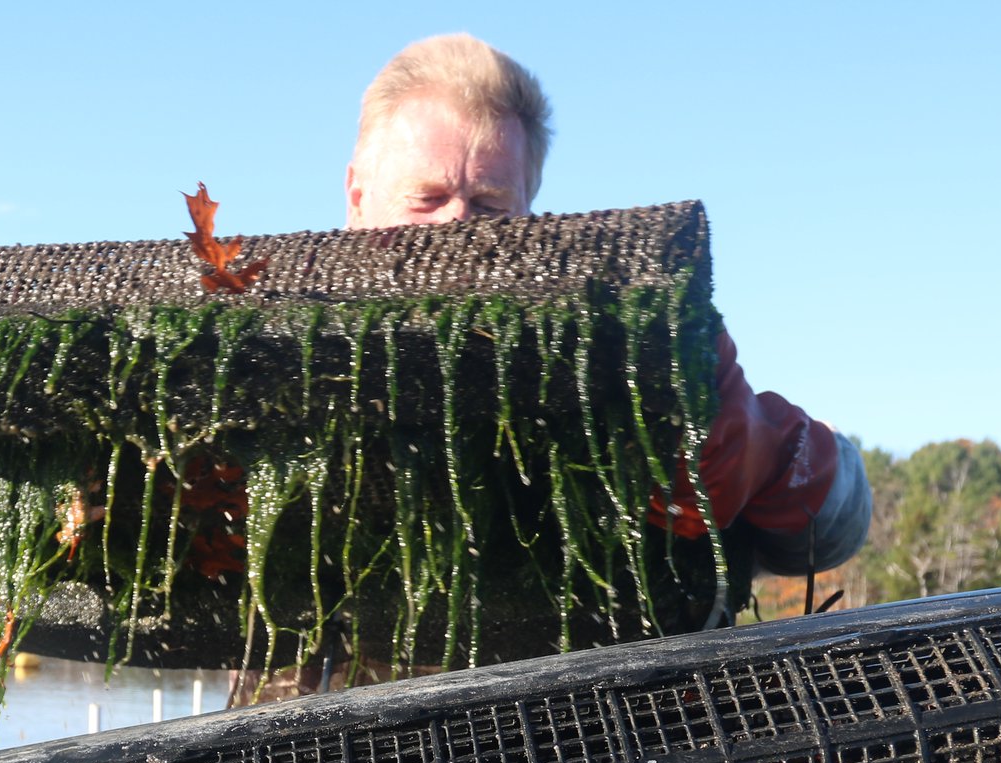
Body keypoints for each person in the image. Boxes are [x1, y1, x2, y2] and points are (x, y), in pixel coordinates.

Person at [347, 33, 869, 594]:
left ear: (528, 213)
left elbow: (837, 527)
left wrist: (752, 454)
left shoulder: (609, 341)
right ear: (357, 195)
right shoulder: (264, 346)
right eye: (426, 198)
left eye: (489, 205)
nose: (457, 227)